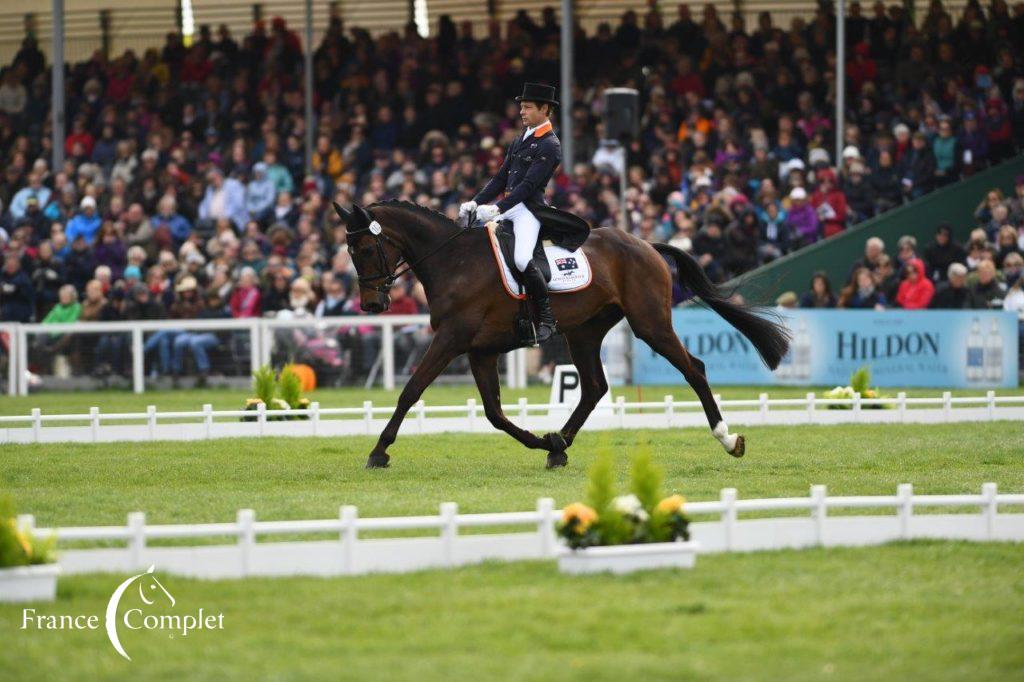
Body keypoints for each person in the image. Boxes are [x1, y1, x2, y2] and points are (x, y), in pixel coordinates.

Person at [459, 82, 563, 344]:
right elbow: (500, 178)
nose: (522, 112)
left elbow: (528, 186)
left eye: (527, 107)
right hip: (509, 208)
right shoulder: (520, 139)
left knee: (520, 259)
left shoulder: (550, 144)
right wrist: (475, 201)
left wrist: (496, 208)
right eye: (521, 107)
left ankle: (547, 318)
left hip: (528, 210)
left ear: (545, 109)